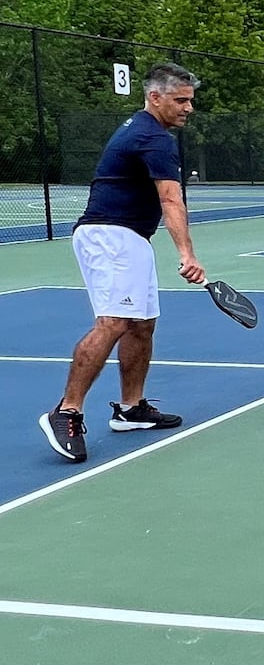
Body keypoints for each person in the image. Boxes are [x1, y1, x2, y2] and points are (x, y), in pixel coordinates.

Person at [40, 63, 208, 464]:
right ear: (155, 97)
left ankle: (131, 409)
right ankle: (66, 411)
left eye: (190, 100)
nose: (188, 108)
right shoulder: (153, 138)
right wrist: (187, 254)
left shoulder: (146, 129)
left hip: (129, 237)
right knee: (114, 322)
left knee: (141, 324)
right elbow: (171, 199)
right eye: (180, 100)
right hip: (109, 236)